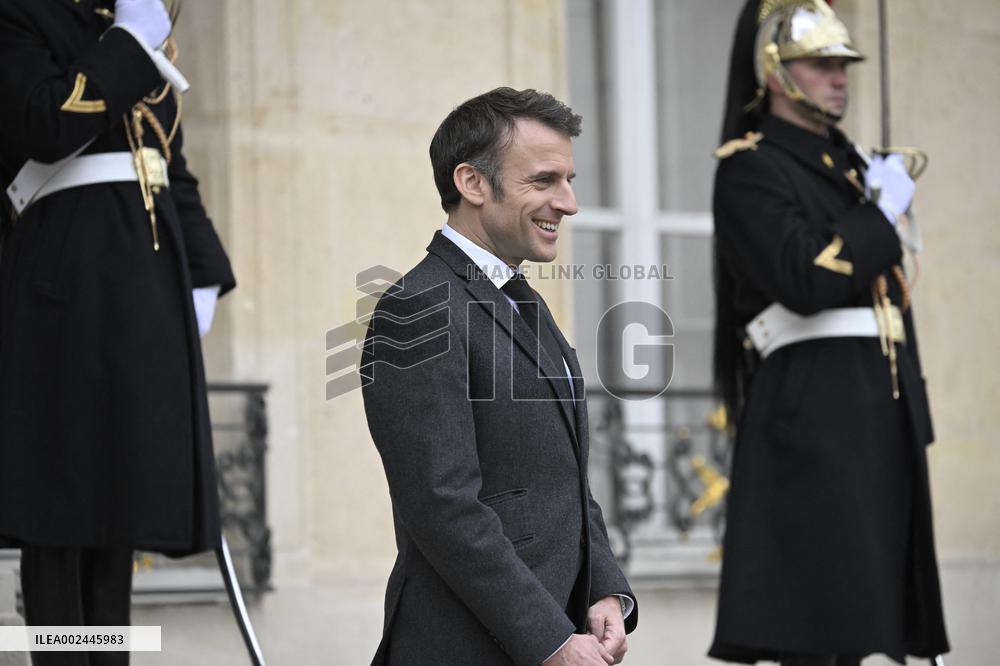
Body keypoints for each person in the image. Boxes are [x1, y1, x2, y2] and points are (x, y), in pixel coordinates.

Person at [361, 87, 637, 666]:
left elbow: (560, 476)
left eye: (569, 179)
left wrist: (604, 588)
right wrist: (551, 640)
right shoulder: (417, 306)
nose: (569, 203)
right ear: (472, 183)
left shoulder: (520, 298)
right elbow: (442, 507)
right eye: (544, 181)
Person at [708, 1, 949, 664]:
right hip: (816, 411)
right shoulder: (750, 168)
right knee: (820, 624)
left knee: (878, 627)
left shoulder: (850, 167)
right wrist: (878, 216)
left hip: (879, 407)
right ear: (777, 72)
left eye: (843, 65)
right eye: (821, 64)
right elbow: (806, 280)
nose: (839, 78)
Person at [0, 1, 235, 663]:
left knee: (119, 509)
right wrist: (130, 41)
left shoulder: (122, 33)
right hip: (64, 295)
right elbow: (46, 123)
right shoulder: (23, 18)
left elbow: (166, 165)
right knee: (62, 513)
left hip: (142, 294)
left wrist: (204, 272)